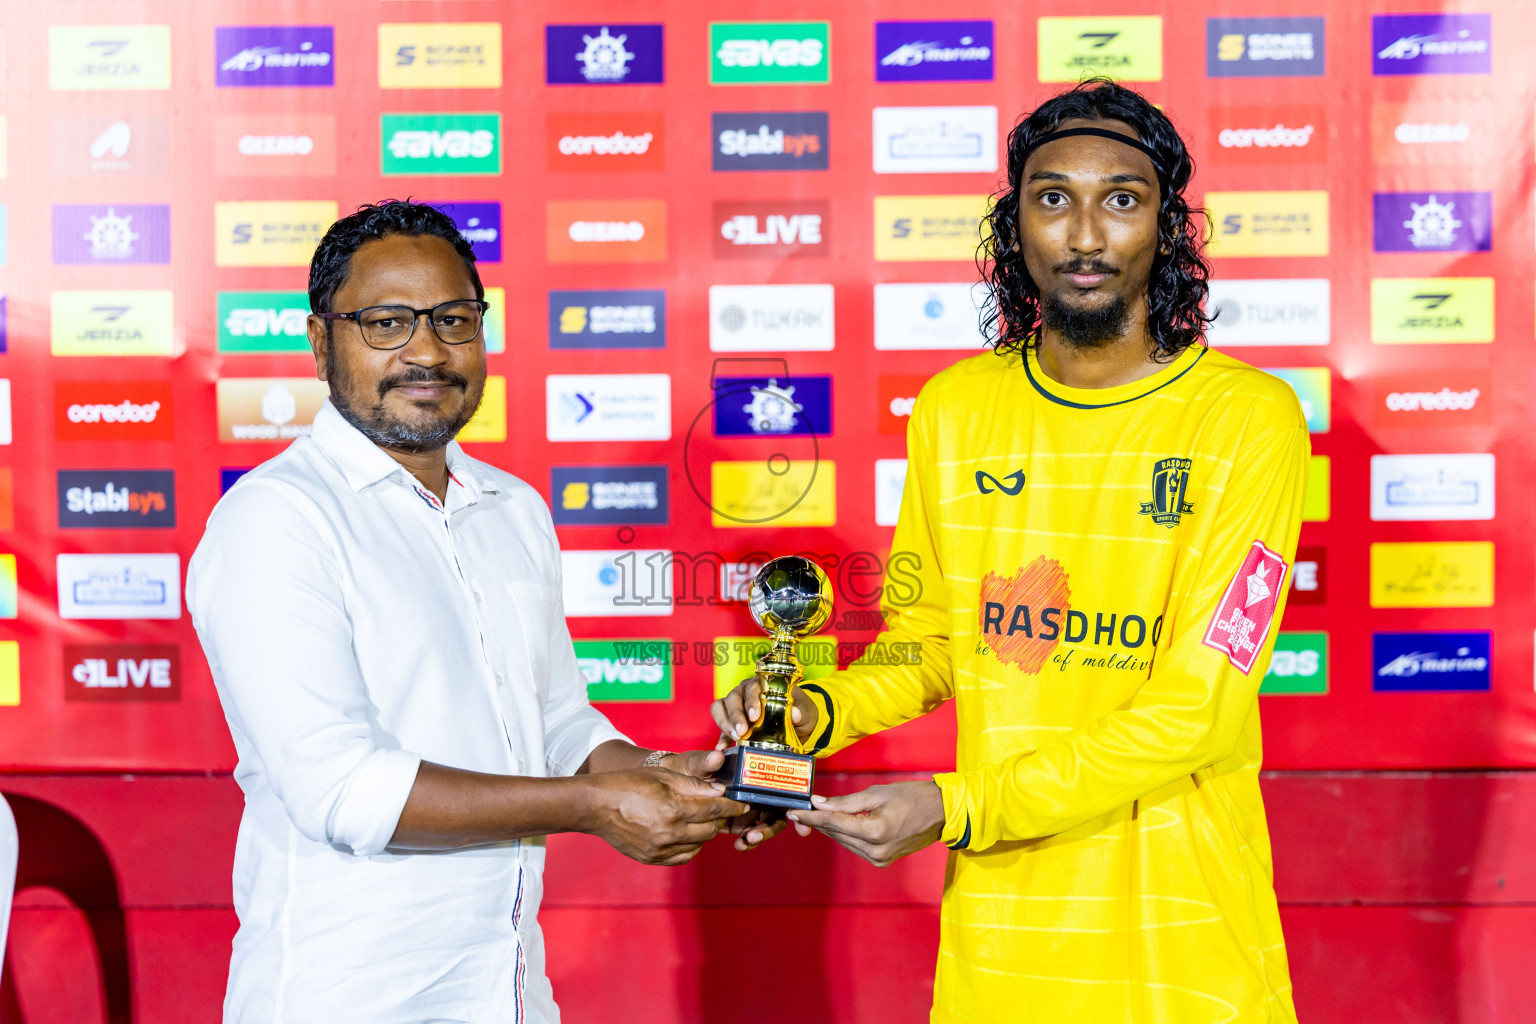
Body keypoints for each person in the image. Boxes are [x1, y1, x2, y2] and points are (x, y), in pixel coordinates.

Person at [715, 78, 1308, 1022]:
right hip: (1002, 947)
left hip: (1181, 941)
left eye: (1121, 199)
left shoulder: (1248, 420)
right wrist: (809, 712)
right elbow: (931, 644)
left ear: (1167, 227)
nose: (1084, 236)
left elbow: (1195, 710)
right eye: (1051, 198)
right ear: (1013, 223)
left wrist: (954, 807)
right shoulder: (956, 410)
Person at [188, 201, 747, 1023]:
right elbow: (343, 790)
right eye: (385, 323)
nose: (425, 350)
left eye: (453, 320)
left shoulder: (510, 508)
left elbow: (555, 722)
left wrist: (658, 773)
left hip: (511, 990)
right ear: (319, 343)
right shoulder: (277, 520)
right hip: (345, 999)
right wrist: (594, 808)